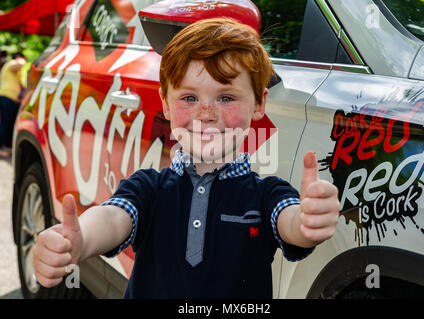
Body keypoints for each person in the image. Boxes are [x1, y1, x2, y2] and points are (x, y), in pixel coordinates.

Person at [32, 18, 340, 298]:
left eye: (226, 97)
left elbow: (290, 221)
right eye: (189, 98)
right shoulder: (147, 188)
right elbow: (113, 217)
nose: (206, 114)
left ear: (259, 103)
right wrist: (80, 240)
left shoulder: (268, 194)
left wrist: (308, 221)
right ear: (166, 104)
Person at [0, 51, 26, 157]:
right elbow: (19, 63)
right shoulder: (11, 64)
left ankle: (5, 146)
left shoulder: (13, 72)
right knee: (5, 123)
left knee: (8, 123)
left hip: (10, 98)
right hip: (6, 97)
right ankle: (1, 147)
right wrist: (21, 59)